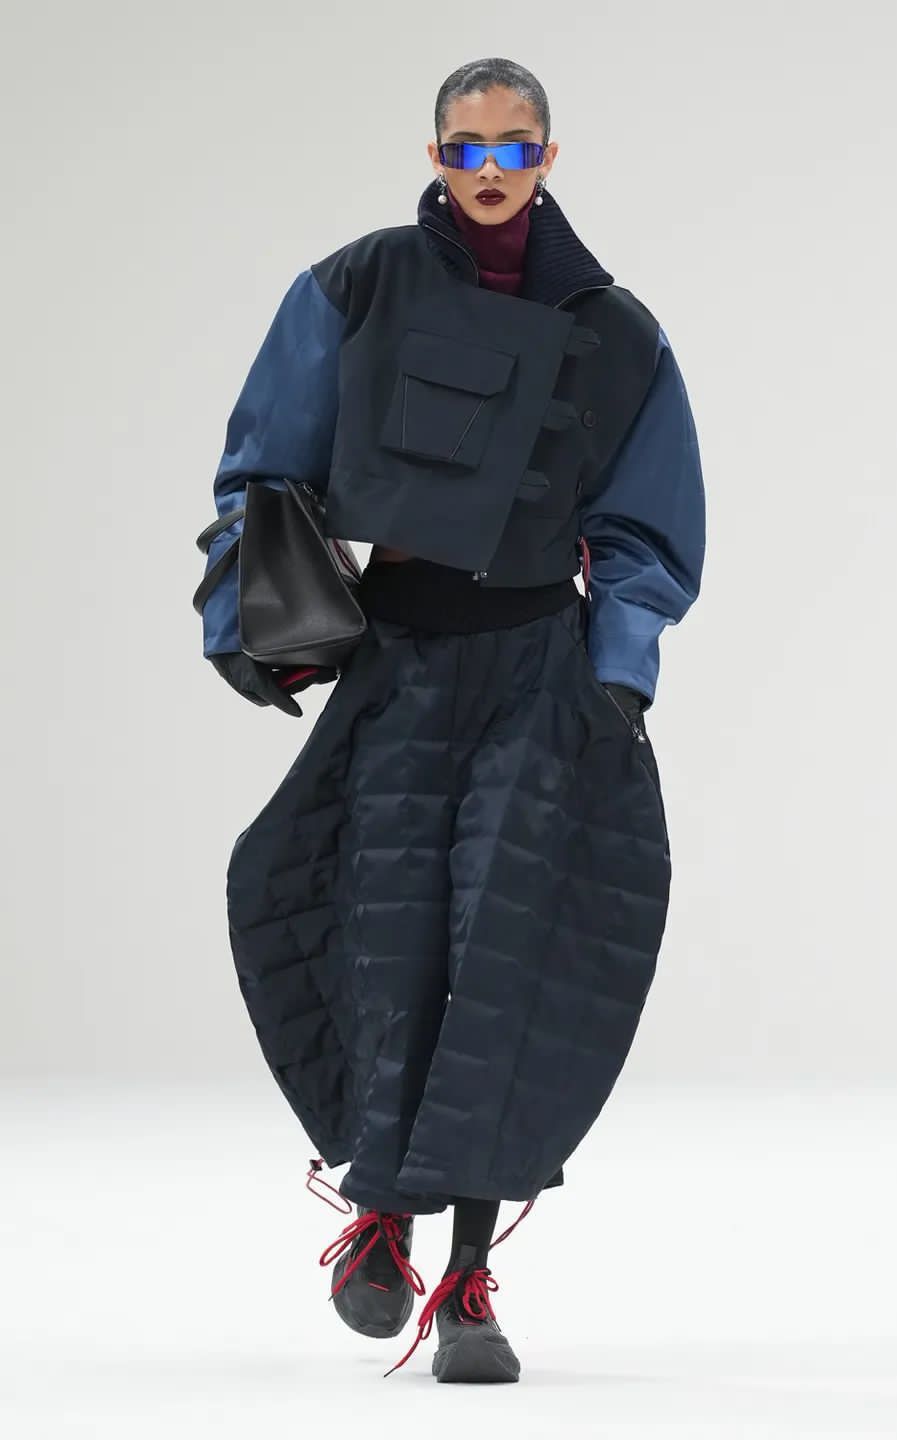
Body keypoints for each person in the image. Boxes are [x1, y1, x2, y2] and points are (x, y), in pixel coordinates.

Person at [196, 56, 706, 1384]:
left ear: (547, 158)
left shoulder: (617, 331)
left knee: (505, 949)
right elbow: (266, 470)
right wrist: (252, 621)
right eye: (466, 147)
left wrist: (616, 674)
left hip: (539, 670)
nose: (489, 169)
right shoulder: (357, 288)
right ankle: (380, 1222)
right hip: (400, 661)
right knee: (384, 936)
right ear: (436, 156)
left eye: (513, 147)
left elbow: (648, 525)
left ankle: (470, 1280)